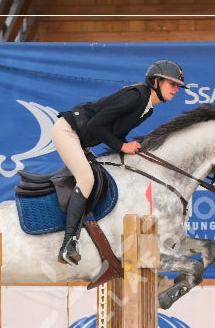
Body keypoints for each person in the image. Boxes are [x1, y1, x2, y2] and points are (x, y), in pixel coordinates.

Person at [52, 59, 185, 265]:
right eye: (172, 84)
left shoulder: (148, 108)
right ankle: (68, 244)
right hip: (67, 130)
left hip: (81, 137)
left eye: (178, 86)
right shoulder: (135, 97)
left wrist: (126, 147)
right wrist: (123, 147)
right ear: (156, 81)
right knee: (86, 178)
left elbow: (114, 132)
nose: (176, 89)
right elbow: (96, 124)